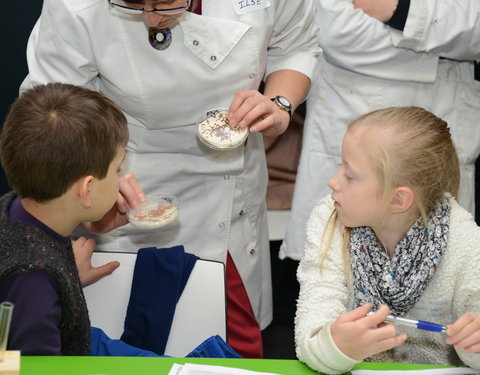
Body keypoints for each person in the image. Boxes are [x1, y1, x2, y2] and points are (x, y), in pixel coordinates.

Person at [19, 0, 321, 358]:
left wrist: (280, 103)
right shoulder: (74, 7)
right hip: (125, 184)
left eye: (167, 2)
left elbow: (297, 44)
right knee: (129, 349)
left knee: (227, 351)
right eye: (131, 3)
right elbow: (52, 119)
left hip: (231, 194)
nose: (151, 18)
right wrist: (89, 204)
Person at [280, 0, 480, 261]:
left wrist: (403, 11)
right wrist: (449, 50)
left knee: (441, 275)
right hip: (353, 118)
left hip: (444, 120)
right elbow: (339, 33)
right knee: (336, 274)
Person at [294, 106, 480, 374]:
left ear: (398, 199)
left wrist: (473, 345)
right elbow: (311, 330)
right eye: (340, 166)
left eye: (350, 175)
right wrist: (335, 347)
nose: (332, 181)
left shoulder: (464, 242)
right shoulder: (329, 219)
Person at [0, 82, 130, 355]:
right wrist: (49, 284)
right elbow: (32, 370)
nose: (120, 179)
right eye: (117, 170)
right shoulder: (32, 282)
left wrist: (66, 280)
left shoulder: (11, 207)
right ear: (87, 189)